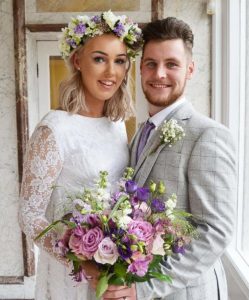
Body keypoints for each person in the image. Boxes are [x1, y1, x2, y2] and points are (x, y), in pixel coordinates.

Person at [105, 17, 236, 300]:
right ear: (140, 69)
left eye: (172, 64)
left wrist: (145, 289)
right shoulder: (141, 131)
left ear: (190, 69)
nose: (159, 74)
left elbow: (215, 231)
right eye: (151, 63)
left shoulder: (209, 135)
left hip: (187, 292)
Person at [19, 11, 143, 300]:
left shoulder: (117, 125)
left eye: (119, 61)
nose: (111, 72)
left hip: (113, 265)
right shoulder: (54, 128)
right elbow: (29, 215)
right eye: (99, 59)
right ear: (78, 61)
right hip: (71, 273)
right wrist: (82, 262)